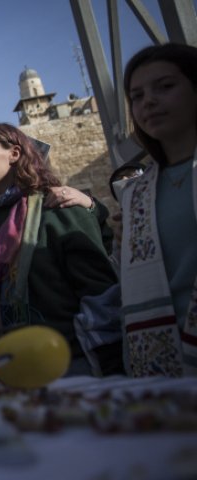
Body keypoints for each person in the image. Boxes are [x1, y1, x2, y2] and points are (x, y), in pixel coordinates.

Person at [0, 122, 123, 376]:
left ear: (14, 154)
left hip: (71, 367)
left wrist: (110, 364)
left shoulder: (59, 209)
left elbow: (100, 294)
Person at [119, 43, 197, 377]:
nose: (148, 101)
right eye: (137, 96)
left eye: (165, 87)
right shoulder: (136, 193)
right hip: (165, 365)